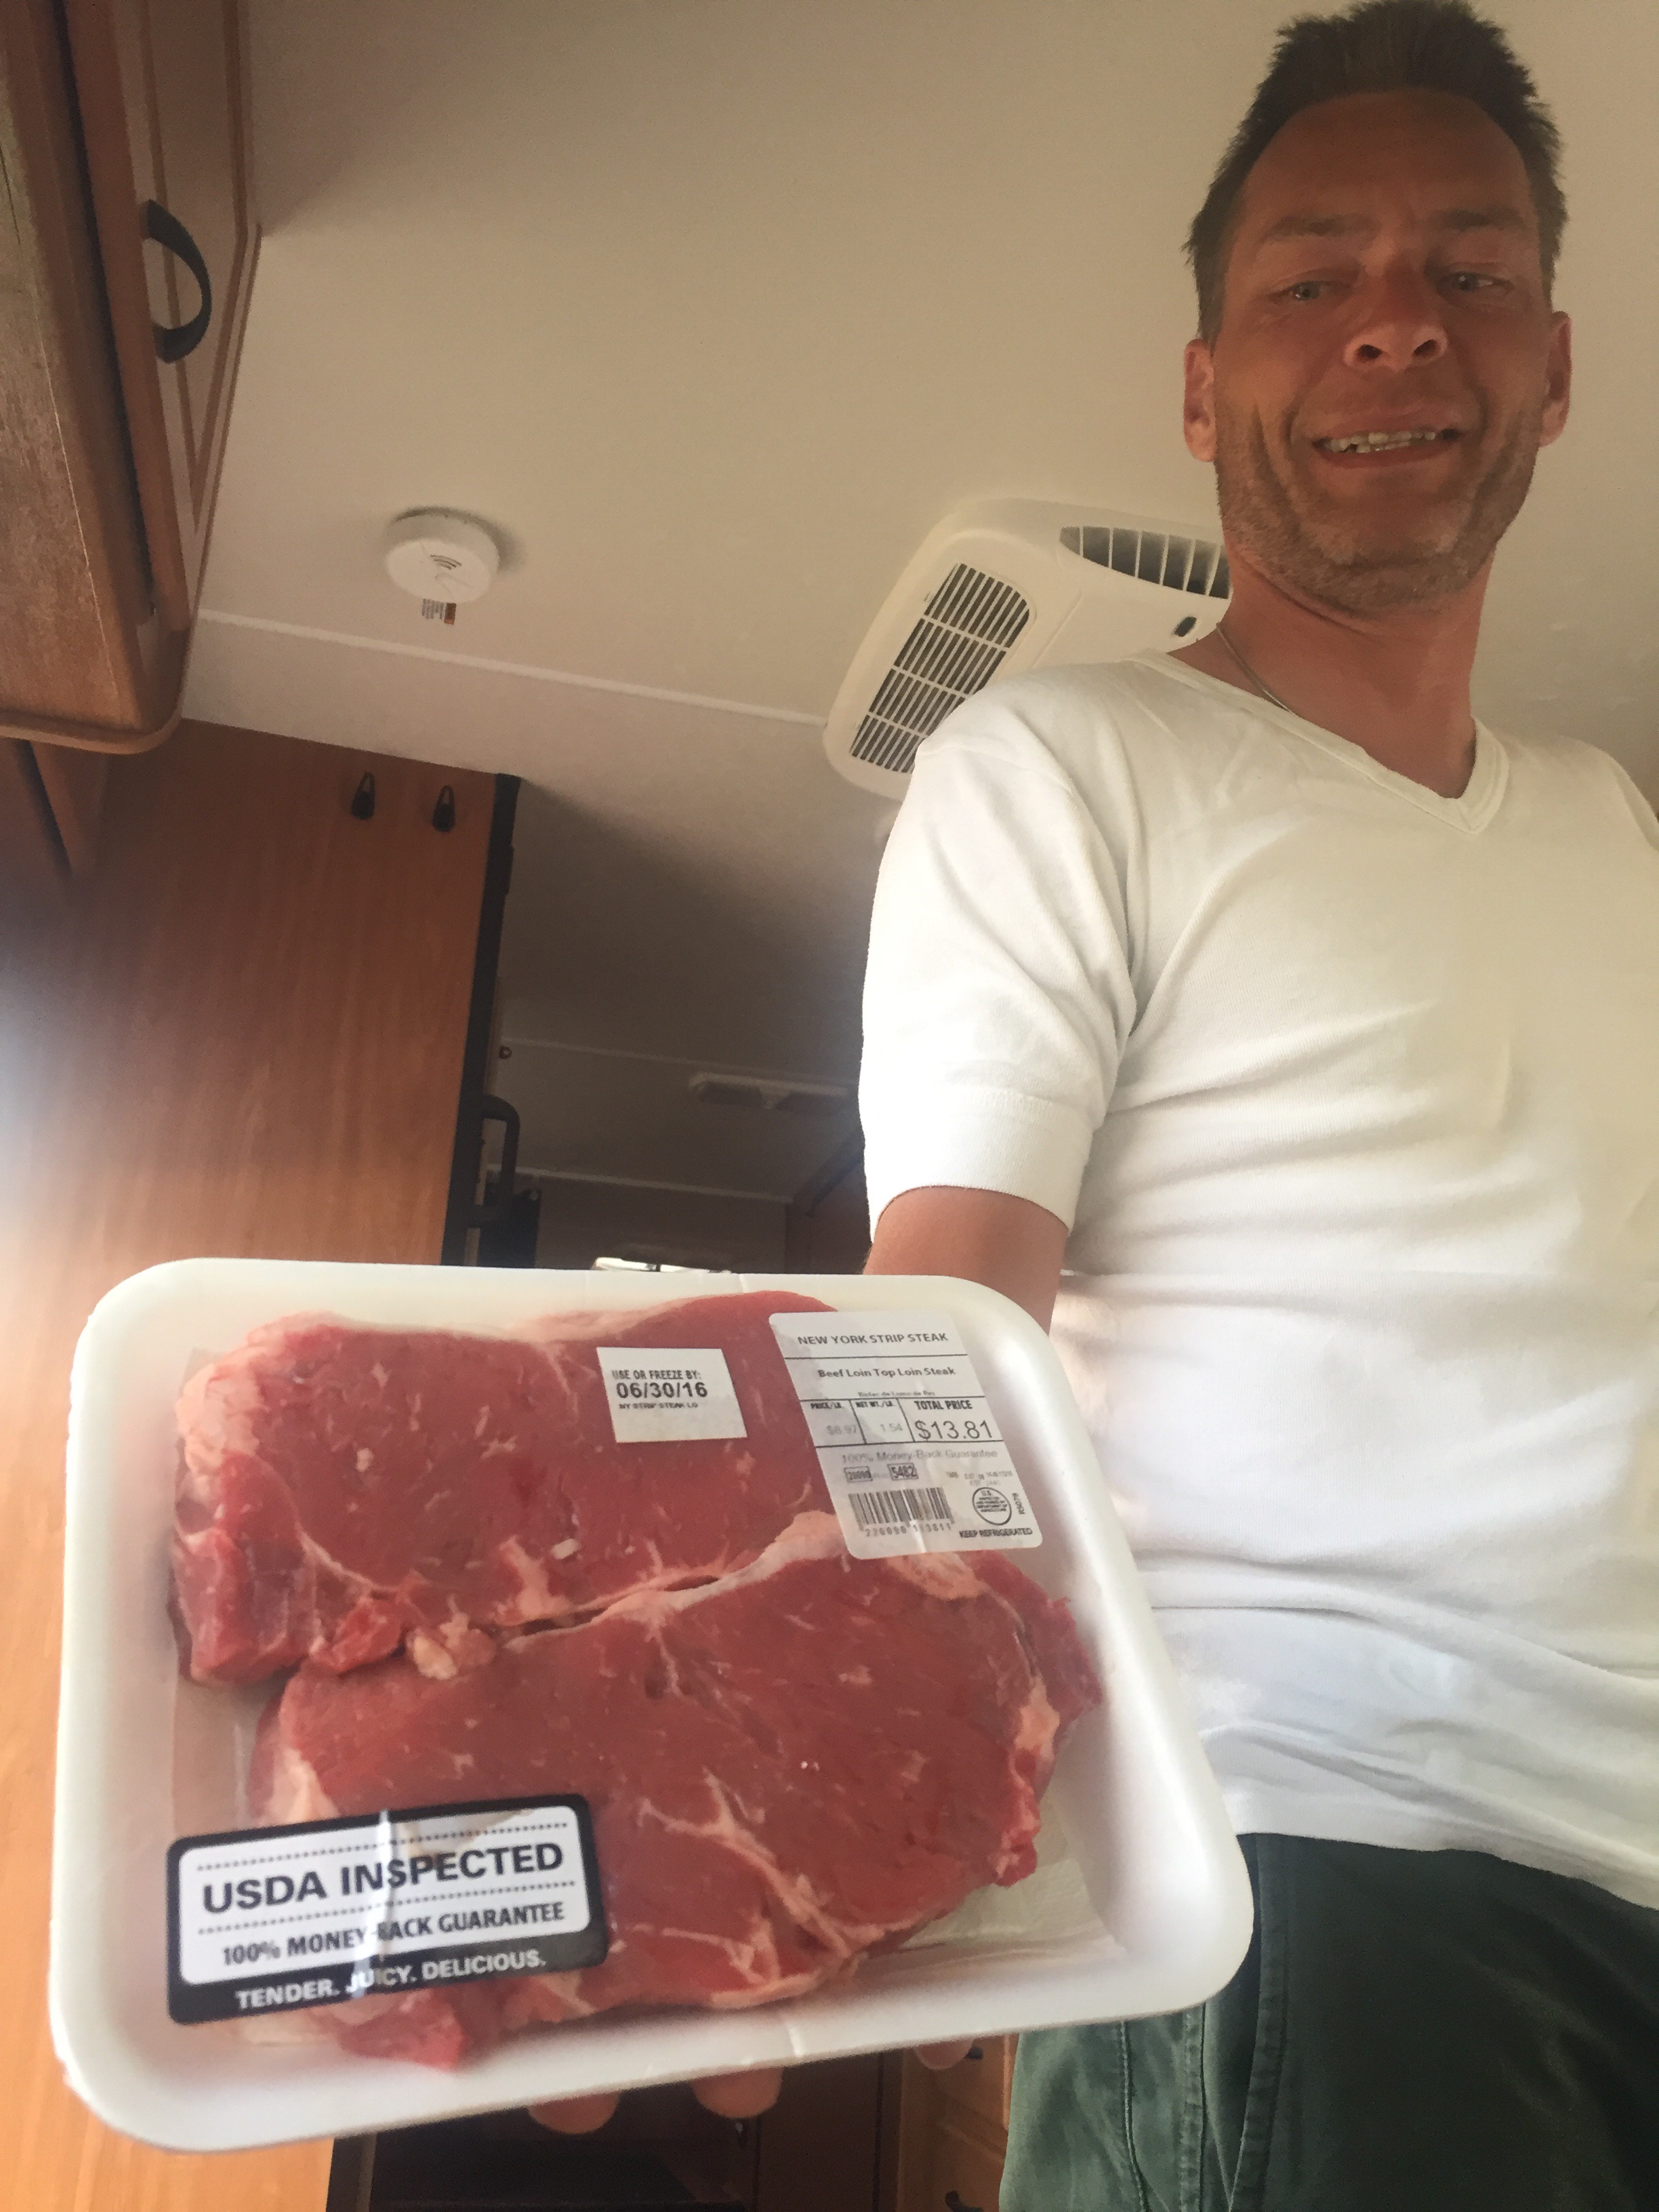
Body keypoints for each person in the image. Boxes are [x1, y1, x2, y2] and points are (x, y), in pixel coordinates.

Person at [535, 3, 1659, 2200]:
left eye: (1471, 267)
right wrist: (768, 1798)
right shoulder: (1060, 764)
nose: (1396, 319)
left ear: (1554, 365)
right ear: (1203, 388)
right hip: (1314, 1891)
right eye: (1313, 276)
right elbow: (941, 1338)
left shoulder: (1618, 831)